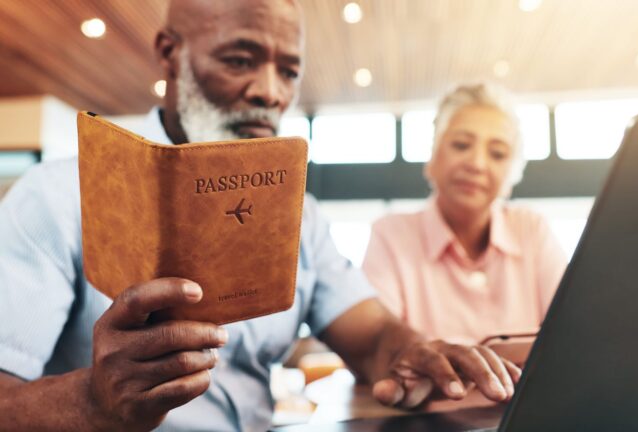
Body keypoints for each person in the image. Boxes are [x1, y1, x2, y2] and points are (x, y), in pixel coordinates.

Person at [0, 2, 520, 431]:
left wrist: (414, 351)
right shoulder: (56, 195)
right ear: (169, 53)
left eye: (288, 71)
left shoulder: (301, 217)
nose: (270, 91)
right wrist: (94, 400)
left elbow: (372, 336)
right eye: (240, 59)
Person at [362, 83, 568, 351]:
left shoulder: (532, 229)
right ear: (432, 158)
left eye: (497, 154)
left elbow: (569, 338)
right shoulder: (391, 235)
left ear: (512, 176)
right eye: (460, 145)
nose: (477, 164)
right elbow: (376, 348)